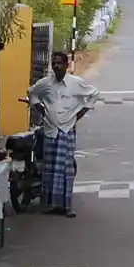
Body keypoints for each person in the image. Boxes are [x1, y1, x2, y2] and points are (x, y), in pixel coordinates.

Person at [26, 51, 99, 217]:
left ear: (66, 66)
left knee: (66, 170)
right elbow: (31, 92)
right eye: (54, 63)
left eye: (59, 63)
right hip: (50, 130)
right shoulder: (45, 83)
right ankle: (51, 204)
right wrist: (40, 109)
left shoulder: (75, 83)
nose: (56, 66)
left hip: (67, 130)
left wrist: (81, 114)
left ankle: (66, 206)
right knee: (50, 169)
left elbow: (94, 94)